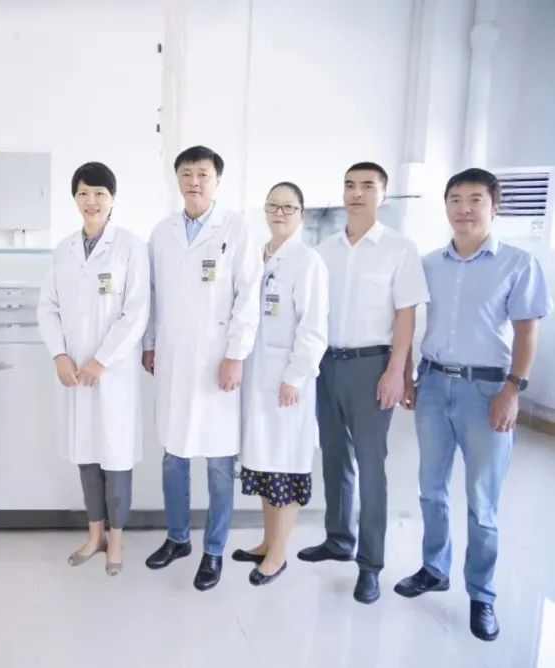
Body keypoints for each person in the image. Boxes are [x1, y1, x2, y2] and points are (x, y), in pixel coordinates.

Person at [395, 168, 552, 641]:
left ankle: (482, 595)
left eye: (475, 199)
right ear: (445, 205)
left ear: (494, 206)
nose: (464, 208)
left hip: (487, 391)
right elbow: (408, 322)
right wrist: (408, 373)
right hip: (432, 383)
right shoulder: (428, 263)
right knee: (430, 488)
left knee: (482, 502)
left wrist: (513, 390)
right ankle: (433, 568)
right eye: (455, 199)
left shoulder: (518, 264)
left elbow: (527, 333)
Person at [298, 161, 429, 604]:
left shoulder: (399, 248)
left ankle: (370, 564)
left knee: (372, 467)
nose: (357, 193)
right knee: (335, 456)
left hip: (372, 365)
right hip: (327, 365)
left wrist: (397, 370)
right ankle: (338, 539)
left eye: (367, 186)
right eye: (350, 185)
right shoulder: (324, 250)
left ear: (382, 195)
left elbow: (406, 315)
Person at [142, 145, 262, 591]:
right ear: (177, 179)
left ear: (217, 181)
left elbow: (248, 296)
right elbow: (152, 296)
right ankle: (178, 538)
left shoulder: (237, 228)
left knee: (218, 461)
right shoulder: (162, 233)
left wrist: (236, 355)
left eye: (203, 174)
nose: (194, 181)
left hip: (217, 360)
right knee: (173, 455)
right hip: (174, 358)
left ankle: (213, 550)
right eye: (187, 173)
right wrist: (150, 344)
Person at [37, 162, 150, 577]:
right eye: (84, 193)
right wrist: (59, 354)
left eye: (100, 193)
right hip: (75, 373)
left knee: (115, 457)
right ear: (75, 199)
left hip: (113, 374)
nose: (92, 201)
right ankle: (94, 534)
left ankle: (116, 539)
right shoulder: (64, 250)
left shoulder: (130, 247)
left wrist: (102, 360)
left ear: (112, 198)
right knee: (86, 455)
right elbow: (48, 307)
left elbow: (136, 312)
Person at [233, 182, 328, 586]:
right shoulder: (260, 256)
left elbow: (314, 328)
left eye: (288, 207)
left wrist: (295, 376)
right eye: (273, 206)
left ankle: (279, 554)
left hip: (287, 383)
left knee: (286, 466)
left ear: (302, 214)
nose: (279, 213)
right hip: (257, 380)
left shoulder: (307, 261)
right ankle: (267, 541)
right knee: (264, 464)